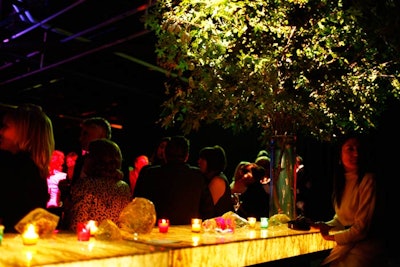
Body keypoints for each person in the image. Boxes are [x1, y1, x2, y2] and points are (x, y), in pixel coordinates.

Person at [314, 134, 388, 267]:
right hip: (347, 247)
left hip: (364, 250)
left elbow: (361, 229)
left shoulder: (368, 180)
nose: (356, 154)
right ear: (339, 153)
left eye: (359, 149)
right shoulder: (341, 182)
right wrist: (325, 225)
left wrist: (331, 237)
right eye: (350, 149)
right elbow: (342, 219)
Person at [133, 135, 214, 225]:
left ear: (165, 154)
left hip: (155, 232)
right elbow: (208, 210)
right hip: (188, 233)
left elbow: (137, 205)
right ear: (186, 156)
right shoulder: (197, 176)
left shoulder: (150, 174)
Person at [0, 104, 54, 232]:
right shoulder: (32, 168)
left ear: (25, 132)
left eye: (5, 126)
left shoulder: (15, 166)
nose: (0, 131)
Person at [64, 139, 131, 231]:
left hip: (90, 242)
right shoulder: (124, 187)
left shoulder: (85, 185)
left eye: (88, 154)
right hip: (114, 241)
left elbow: (76, 223)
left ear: (93, 160)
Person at [71, 117, 112, 184]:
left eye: (86, 134)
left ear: (102, 138)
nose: (80, 138)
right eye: (81, 134)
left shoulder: (113, 165)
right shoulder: (81, 160)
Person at [198, 145, 234, 217]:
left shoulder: (218, 181)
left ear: (211, 161)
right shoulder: (208, 179)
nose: (199, 161)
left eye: (203, 159)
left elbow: (206, 207)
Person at [46, 150, 67, 217]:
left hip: (55, 208)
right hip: (43, 207)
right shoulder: (43, 174)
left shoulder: (62, 176)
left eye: (53, 158)